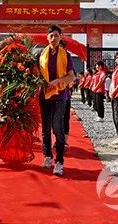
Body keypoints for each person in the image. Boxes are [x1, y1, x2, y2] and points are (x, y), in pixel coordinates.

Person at [38, 25, 75, 176]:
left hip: (60, 95)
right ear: (47, 38)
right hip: (44, 95)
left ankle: (59, 161)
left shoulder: (66, 55)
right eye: (51, 36)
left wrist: (58, 81)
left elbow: (71, 76)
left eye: (56, 36)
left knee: (57, 128)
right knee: (46, 129)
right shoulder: (40, 54)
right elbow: (36, 75)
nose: (53, 39)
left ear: (61, 37)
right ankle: (47, 156)